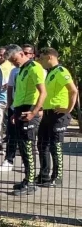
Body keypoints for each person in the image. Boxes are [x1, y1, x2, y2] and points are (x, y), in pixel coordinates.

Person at [6, 44, 47, 195]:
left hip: (29, 110)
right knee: (23, 147)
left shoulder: (34, 68)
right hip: (19, 110)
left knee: (28, 147)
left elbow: (43, 92)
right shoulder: (21, 70)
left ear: (22, 54)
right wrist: (14, 112)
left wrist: (33, 112)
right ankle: (27, 178)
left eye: (14, 59)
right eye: (11, 61)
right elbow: (19, 92)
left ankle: (30, 182)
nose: (14, 63)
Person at [37, 48, 78, 187]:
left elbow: (73, 90)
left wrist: (68, 109)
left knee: (56, 145)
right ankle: (44, 175)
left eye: (42, 58)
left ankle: (57, 177)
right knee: (42, 144)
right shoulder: (50, 73)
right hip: (47, 113)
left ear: (50, 57)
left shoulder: (61, 71)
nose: (40, 61)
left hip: (58, 114)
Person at [0, 46, 13, 151]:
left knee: (11, 123)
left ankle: (13, 144)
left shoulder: (11, 65)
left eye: (1, 55)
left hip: (11, 99)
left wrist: (9, 84)